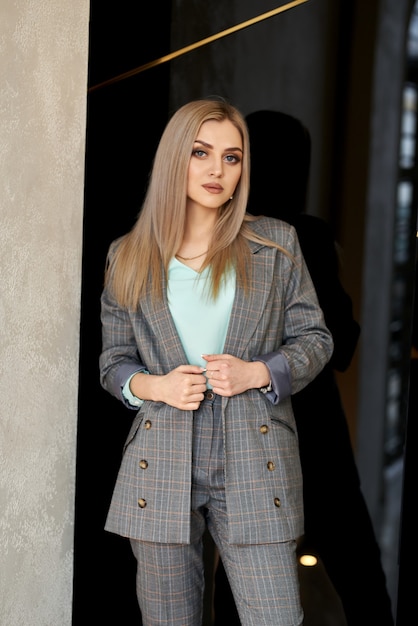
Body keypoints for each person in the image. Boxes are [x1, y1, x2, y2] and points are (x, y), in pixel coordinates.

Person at [99, 97, 334, 626]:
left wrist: (259, 372)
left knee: (276, 616)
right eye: (202, 152)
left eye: (232, 157)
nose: (217, 170)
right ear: (174, 159)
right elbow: (113, 360)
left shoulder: (276, 244)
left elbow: (316, 338)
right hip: (161, 454)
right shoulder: (128, 255)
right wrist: (153, 386)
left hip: (255, 447)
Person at [213, 110, 395, 626]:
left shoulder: (220, 236)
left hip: (249, 432)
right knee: (363, 587)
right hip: (314, 435)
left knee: (242, 588)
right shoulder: (304, 235)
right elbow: (342, 345)